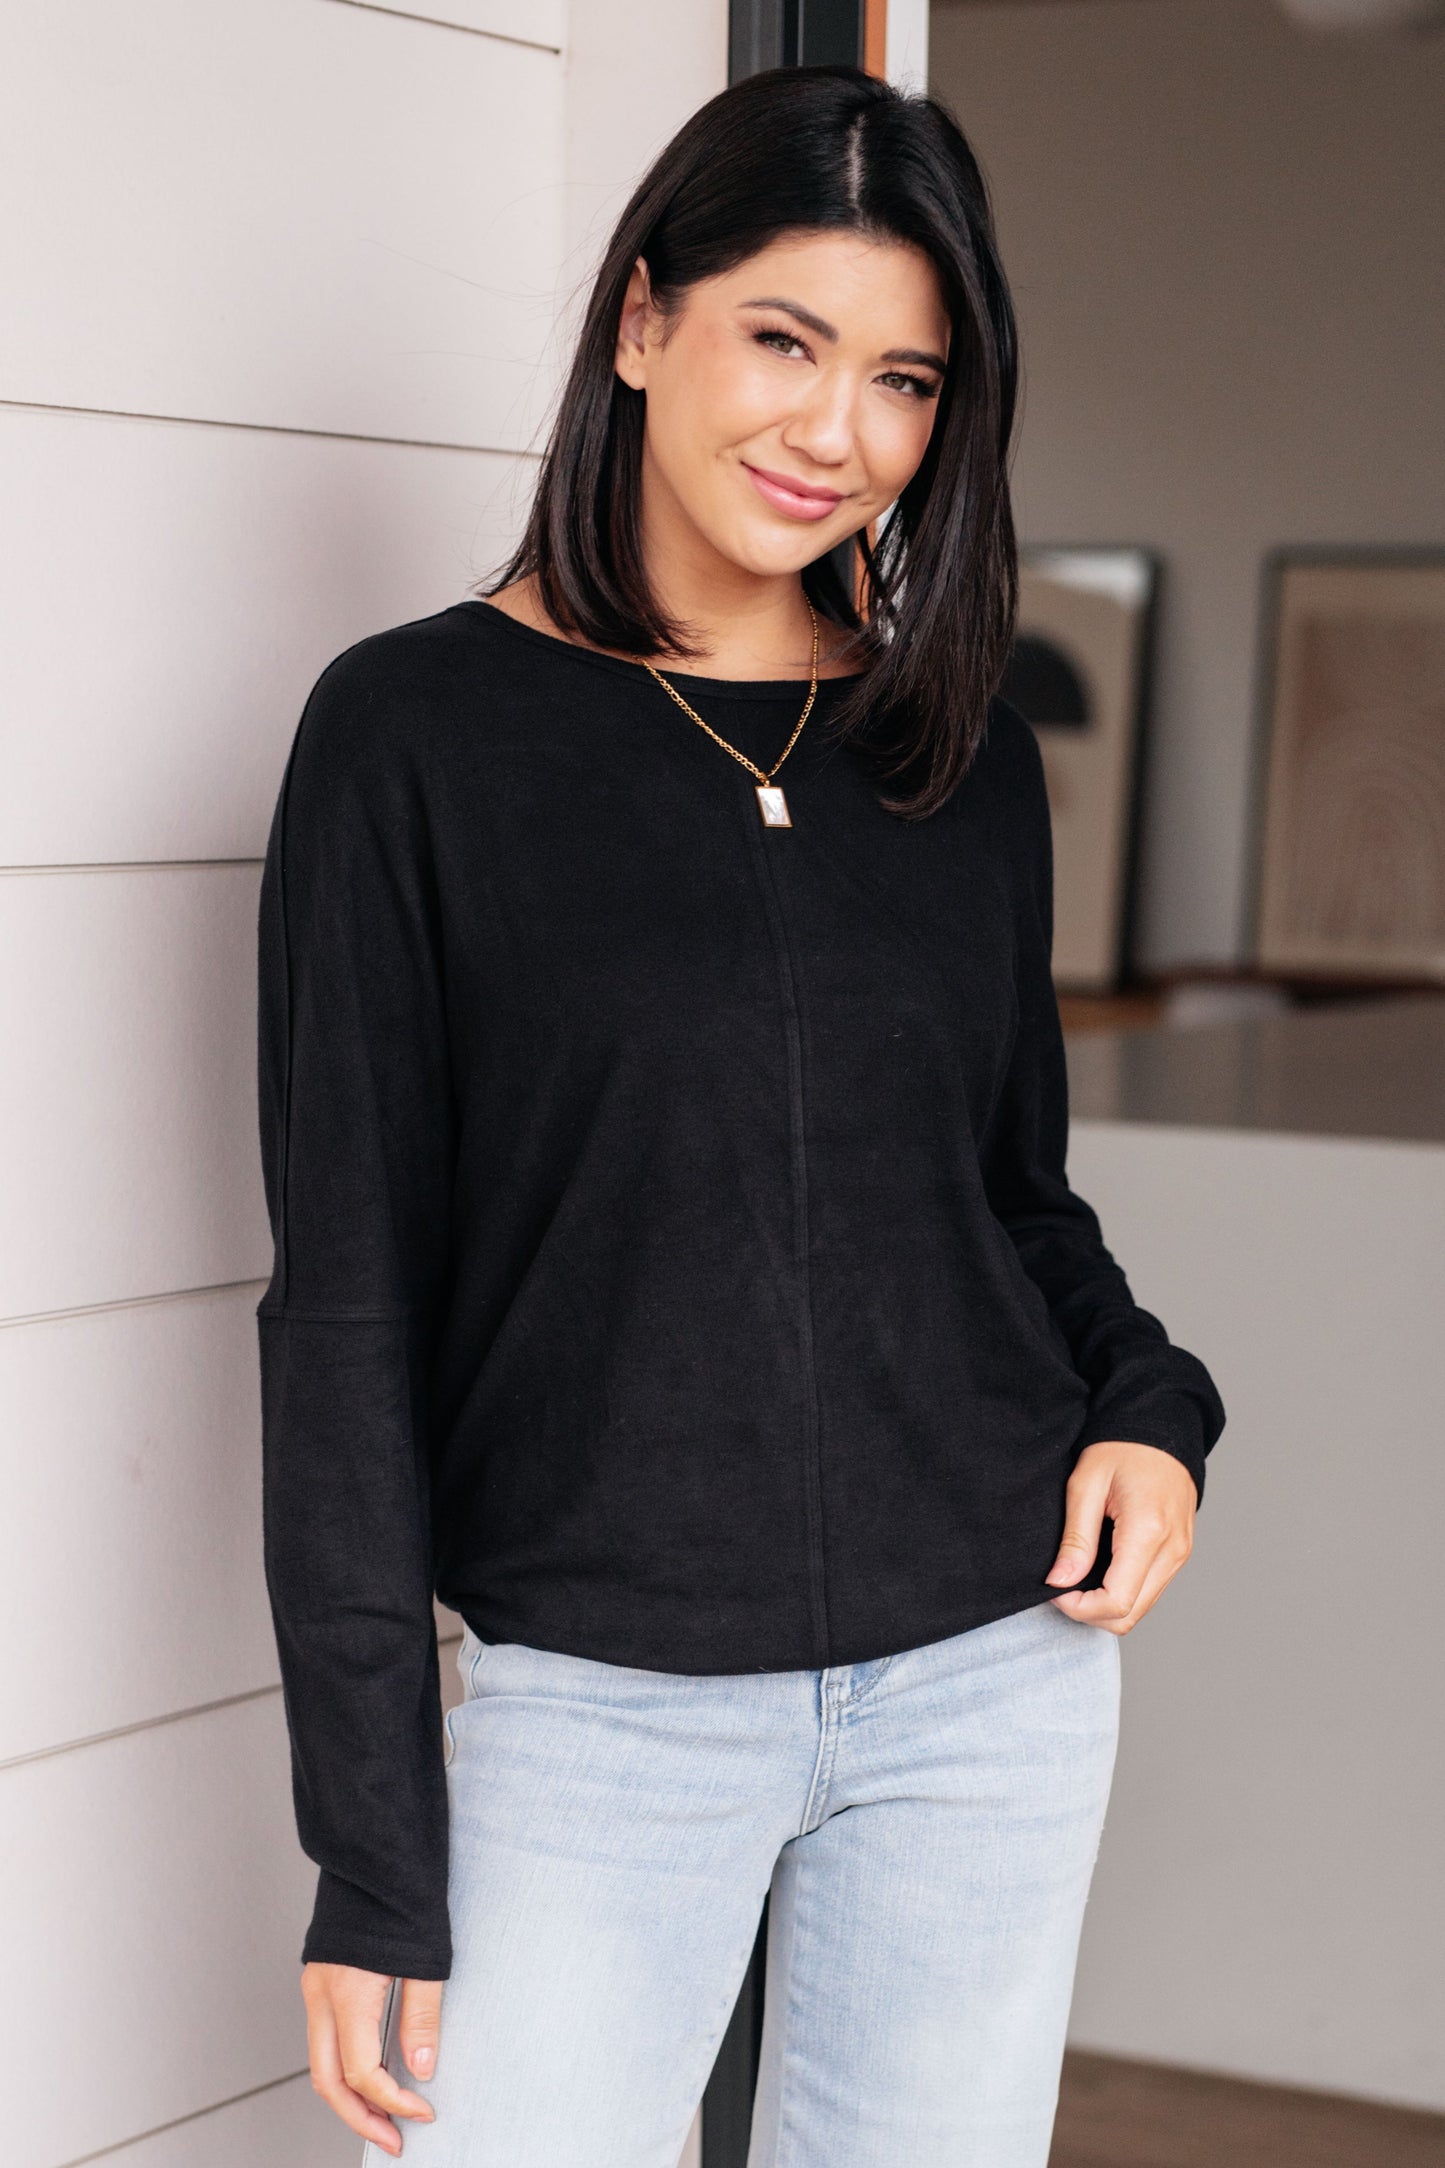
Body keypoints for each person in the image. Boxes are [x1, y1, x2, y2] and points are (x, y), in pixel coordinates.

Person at [254, 63, 1225, 2168]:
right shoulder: (411, 739)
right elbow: (341, 1320)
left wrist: (1151, 1401)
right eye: (783, 339)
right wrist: (373, 1855)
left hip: (993, 1675)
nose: (835, 432)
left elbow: (1005, 1198)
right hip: (595, 1710)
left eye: (902, 377)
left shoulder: (949, 753)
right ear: (638, 321)